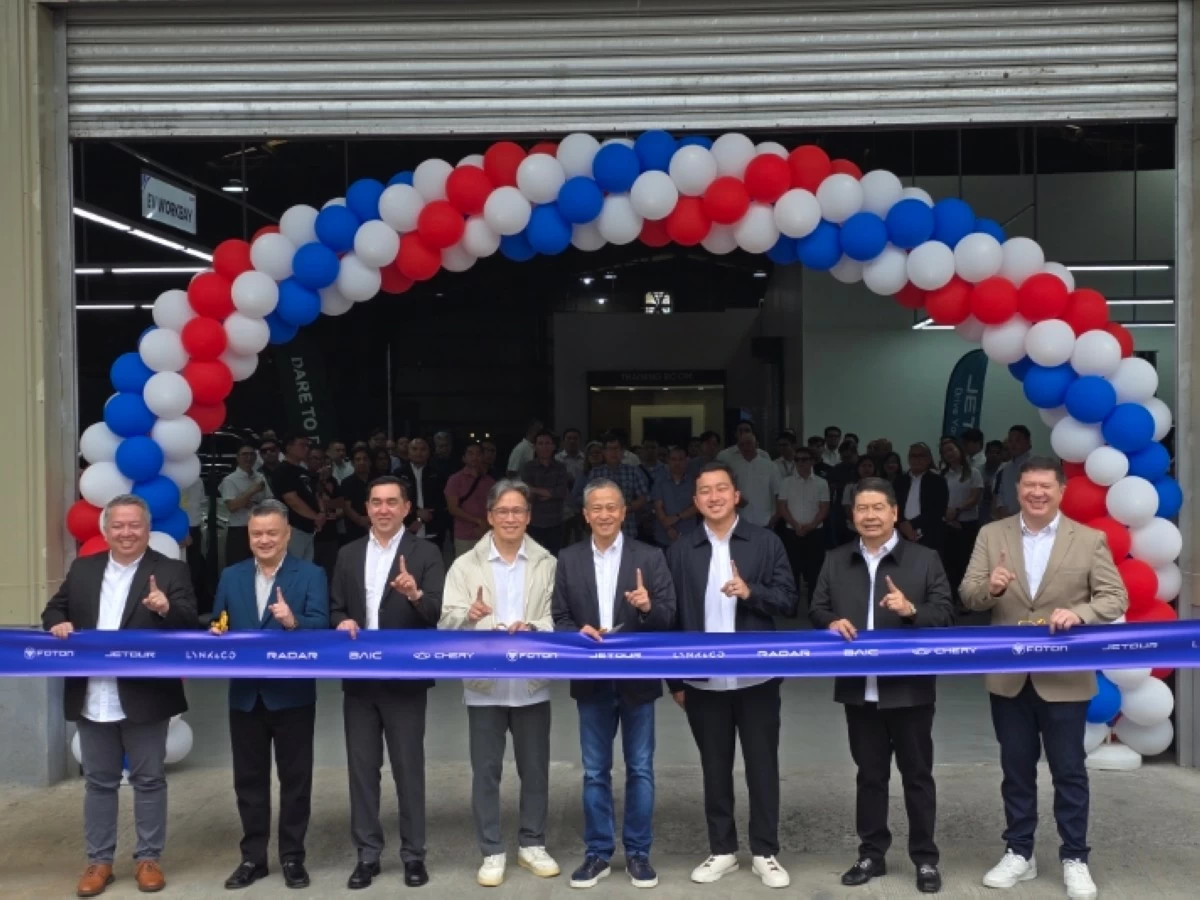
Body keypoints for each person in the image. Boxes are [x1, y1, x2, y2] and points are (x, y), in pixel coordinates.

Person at [960, 457, 1127, 900]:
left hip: (1065, 677)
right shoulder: (991, 535)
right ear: (1017, 490)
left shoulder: (1089, 539)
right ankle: (1020, 852)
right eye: (1028, 486)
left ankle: (1075, 857)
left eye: (1045, 487)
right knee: (1016, 770)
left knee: (1069, 771)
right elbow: (968, 595)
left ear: (1061, 491)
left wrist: (1081, 613)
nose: (1036, 493)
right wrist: (991, 588)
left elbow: (1114, 597)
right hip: (1009, 676)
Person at [41, 494, 198, 897]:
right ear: (105, 530)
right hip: (93, 694)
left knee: (149, 779)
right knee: (99, 782)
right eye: (119, 526)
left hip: (145, 695)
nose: (127, 533)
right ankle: (99, 861)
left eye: (135, 526)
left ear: (147, 530)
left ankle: (148, 858)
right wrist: (58, 625)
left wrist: (165, 608)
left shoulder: (170, 570)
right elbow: (53, 610)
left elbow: (189, 620)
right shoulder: (83, 569)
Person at [809, 477, 954, 894]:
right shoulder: (836, 560)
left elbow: (944, 613)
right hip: (859, 689)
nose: (869, 516)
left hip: (909, 688)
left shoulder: (924, 559)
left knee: (917, 776)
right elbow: (817, 607)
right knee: (869, 776)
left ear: (894, 513)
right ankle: (872, 853)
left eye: (878, 508)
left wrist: (912, 610)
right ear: (851, 516)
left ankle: (925, 859)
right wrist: (829, 622)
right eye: (861, 509)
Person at [666, 462, 798, 889]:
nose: (714, 496)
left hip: (756, 678)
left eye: (722, 488)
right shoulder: (682, 549)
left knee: (762, 766)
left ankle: (765, 851)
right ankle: (721, 849)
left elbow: (788, 600)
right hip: (702, 682)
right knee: (714, 768)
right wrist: (676, 680)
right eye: (705, 490)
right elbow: (670, 619)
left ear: (737, 495)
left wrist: (750, 592)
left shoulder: (764, 542)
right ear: (695, 501)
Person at [552, 479, 676, 890]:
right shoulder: (568, 559)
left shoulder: (651, 557)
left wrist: (648, 607)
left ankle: (639, 853)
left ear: (624, 512)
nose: (604, 514)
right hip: (592, 679)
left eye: (612, 507)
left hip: (637, 679)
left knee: (640, 769)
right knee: (594, 771)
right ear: (585, 515)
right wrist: (577, 633)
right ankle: (598, 852)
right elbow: (560, 617)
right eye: (596, 508)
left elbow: (668, 618)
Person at [438, 480, 560, 887]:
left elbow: (557, 618)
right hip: (484, 685)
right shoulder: (465, 565)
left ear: (528, 516)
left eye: (518, 511)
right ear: (489, 516)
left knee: (535, 770)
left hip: (531, 682)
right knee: (486, 771)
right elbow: (445, 623)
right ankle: (491, 850)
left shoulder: (546, 562)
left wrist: (534, 628)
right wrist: (469, 615)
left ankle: (532, 844)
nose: (511, 518)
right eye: (503, 511)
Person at [330, 475, 445, 889]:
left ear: (406, 508)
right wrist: (340, 620)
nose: (383, 509)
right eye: (376, 502)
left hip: (405, 678)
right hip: (360, 680)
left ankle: (414, 855)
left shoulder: (426, 551)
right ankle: (367, 855)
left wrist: (414, 594)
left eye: (391, 502)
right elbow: (335, 607)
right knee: (362, 770)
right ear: (367, 507)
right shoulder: (348, 553)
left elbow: (437, 613)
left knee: (408, 769)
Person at [210, 499, 329, 890]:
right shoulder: (231, 576)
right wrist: (216, 630)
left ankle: (293, 857)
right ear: (249, 536)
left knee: (296, 780)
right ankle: (253, 858)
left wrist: (293, 622)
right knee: (249, 781)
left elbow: (322, 628)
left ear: (287, 534)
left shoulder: (310, 574)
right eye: (257, 533)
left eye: (271, 533)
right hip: (245, 697)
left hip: (292, 696)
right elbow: (218, 620)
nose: (264, 540)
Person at [775, 446, 829, 608]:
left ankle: (814, 607)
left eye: (804, 459)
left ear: (812, 461)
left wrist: (810, 526)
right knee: (792, 571)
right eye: (797, 460)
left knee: (814, 572)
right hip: (792, 531)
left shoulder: (821, 483)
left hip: (815, 532)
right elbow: (782, 506)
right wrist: (795, 525)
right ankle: (791, 606)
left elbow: (824, 507)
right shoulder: (786, 482)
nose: (800, 463)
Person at [571, 434, 649, 540]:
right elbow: (588, 499)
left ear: (622, 452)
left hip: (627, 528)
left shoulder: (633, 471)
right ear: (604, 452)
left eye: (616, 449)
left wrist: (626, 508)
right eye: (609, 449)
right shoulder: (595, 473)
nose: (613, 452)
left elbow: (643, 498)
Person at [939, 437, 984, 609]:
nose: (948, 454)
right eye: (944, 452)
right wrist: (948, 516)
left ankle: (966, 601)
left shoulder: (974, 473)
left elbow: (974, 498)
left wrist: (956, 511)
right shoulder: (942, 475)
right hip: (946, 524)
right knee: (948, 563)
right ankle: (949, 600)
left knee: (966, 563)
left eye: (951, 449)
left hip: (967, 524)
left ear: (959, 450)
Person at [270, 434, 324, 562]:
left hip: (309, 528)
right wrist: (315, 516)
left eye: (307, 445)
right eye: (302, 445)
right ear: (289, 447)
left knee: (305, 567)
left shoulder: (302, 471)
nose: (306, 448)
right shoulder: (282, 470)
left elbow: (315, 494)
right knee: (292, 568)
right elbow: (292, 500)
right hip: (292, 527)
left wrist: (321, 513)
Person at [520, 430, 570, 556]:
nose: (544, 447)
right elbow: (526, 492)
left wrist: (536, 490)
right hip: (534, 521)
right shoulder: (528, 467)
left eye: (548, 443)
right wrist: (550, 493)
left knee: (554, 558)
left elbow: (562, 491)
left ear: (553, 446)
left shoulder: (560, 467)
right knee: (532, 558)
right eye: (540, 443)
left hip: (555, 521)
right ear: (535, 447)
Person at [220, 444, 270, 568]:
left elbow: (270, 501)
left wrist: (250, 503)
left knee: (261, 568)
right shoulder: (230, 480)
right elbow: (232, 506)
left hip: (260, 529)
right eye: (244, 454)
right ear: (237, 458)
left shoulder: (260, 477)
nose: (249, 457)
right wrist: (251, 491)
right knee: (238, 569)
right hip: (239, 530)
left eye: (252, 454)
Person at [894, 444, 950, 553]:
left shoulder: (938, 481)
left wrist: (912, 525)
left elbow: (938, 510)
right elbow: (892, 505)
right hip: (901, 533)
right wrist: (902, 524)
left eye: (921, 456)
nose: (917, 459)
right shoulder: (899, 481)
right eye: (913, 456)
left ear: (929, 459)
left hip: (929, 535)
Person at [723, 422, 780, 528]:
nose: (745, 447)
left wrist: (776, 517)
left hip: (765, 521)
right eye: (742, 445)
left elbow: (778, 493)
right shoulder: (733, 466)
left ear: (756, 444)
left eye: (749, 443)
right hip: (739, 522)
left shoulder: (770, 466)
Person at [446, 441, 496, 558]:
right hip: (464, 535)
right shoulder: (455, 479)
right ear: (464, 458)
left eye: (478, 454)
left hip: (486, 533)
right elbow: (452, 508)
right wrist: (477, 521)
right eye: (471, 454)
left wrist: (487, 526)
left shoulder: (490, 481)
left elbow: (495, 507)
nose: (475, 457)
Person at [397, 437, 449, 547]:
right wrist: (416, 514)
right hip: (406, 528)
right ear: (408, 452)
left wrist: (422, 518)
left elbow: (443, 501)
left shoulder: (438, 474)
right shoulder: (398, 474)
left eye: (423, 449)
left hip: (433, 529)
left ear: (429, 452)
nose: (419, 453)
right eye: (414, 449)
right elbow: (396, 501)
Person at [651, 445, 698, 548]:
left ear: (687, 461)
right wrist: (668, 528)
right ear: (668, 461)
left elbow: (697, 506)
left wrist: (677, 517)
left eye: (681, 459)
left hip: (688, 536)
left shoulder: (694, 482)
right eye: (673, 459)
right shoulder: (659, 481)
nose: (677, 463)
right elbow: (658, 507)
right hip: (663, 536)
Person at [309, 445, 344, 582]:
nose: (326, 467)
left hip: (331, 535)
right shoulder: (308, 480)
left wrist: (329, 507)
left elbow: (340, 505)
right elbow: (313, 503)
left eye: (329, 464)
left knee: (330, 573)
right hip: (312, 535)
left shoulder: (334, 482)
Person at [991, 425, 1032, 520]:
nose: (1013, 445)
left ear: (1028, 443)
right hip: (1005, 518)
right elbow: (1000, 492)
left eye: (1018, 440)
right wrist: (1001, 508)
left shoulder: (1035, 466)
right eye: (1010, 441)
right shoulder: (1005, 467)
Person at [340, 448, 373, 543]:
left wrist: (372, 519)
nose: (362, 462)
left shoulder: (378, 480)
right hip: (355, 529)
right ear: (352, 463)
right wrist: (360, 520)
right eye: (358, 459)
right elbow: (346, 507)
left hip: (377, 525)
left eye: (365, 459)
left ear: (370, 462)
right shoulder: (346, 483)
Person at [842, 456, 878, 529]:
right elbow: (847, 509)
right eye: (863, 466)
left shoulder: (881, 487)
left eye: (870, 466)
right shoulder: (850, 487)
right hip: (854, 528)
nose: (866, 469)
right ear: (858, 468)